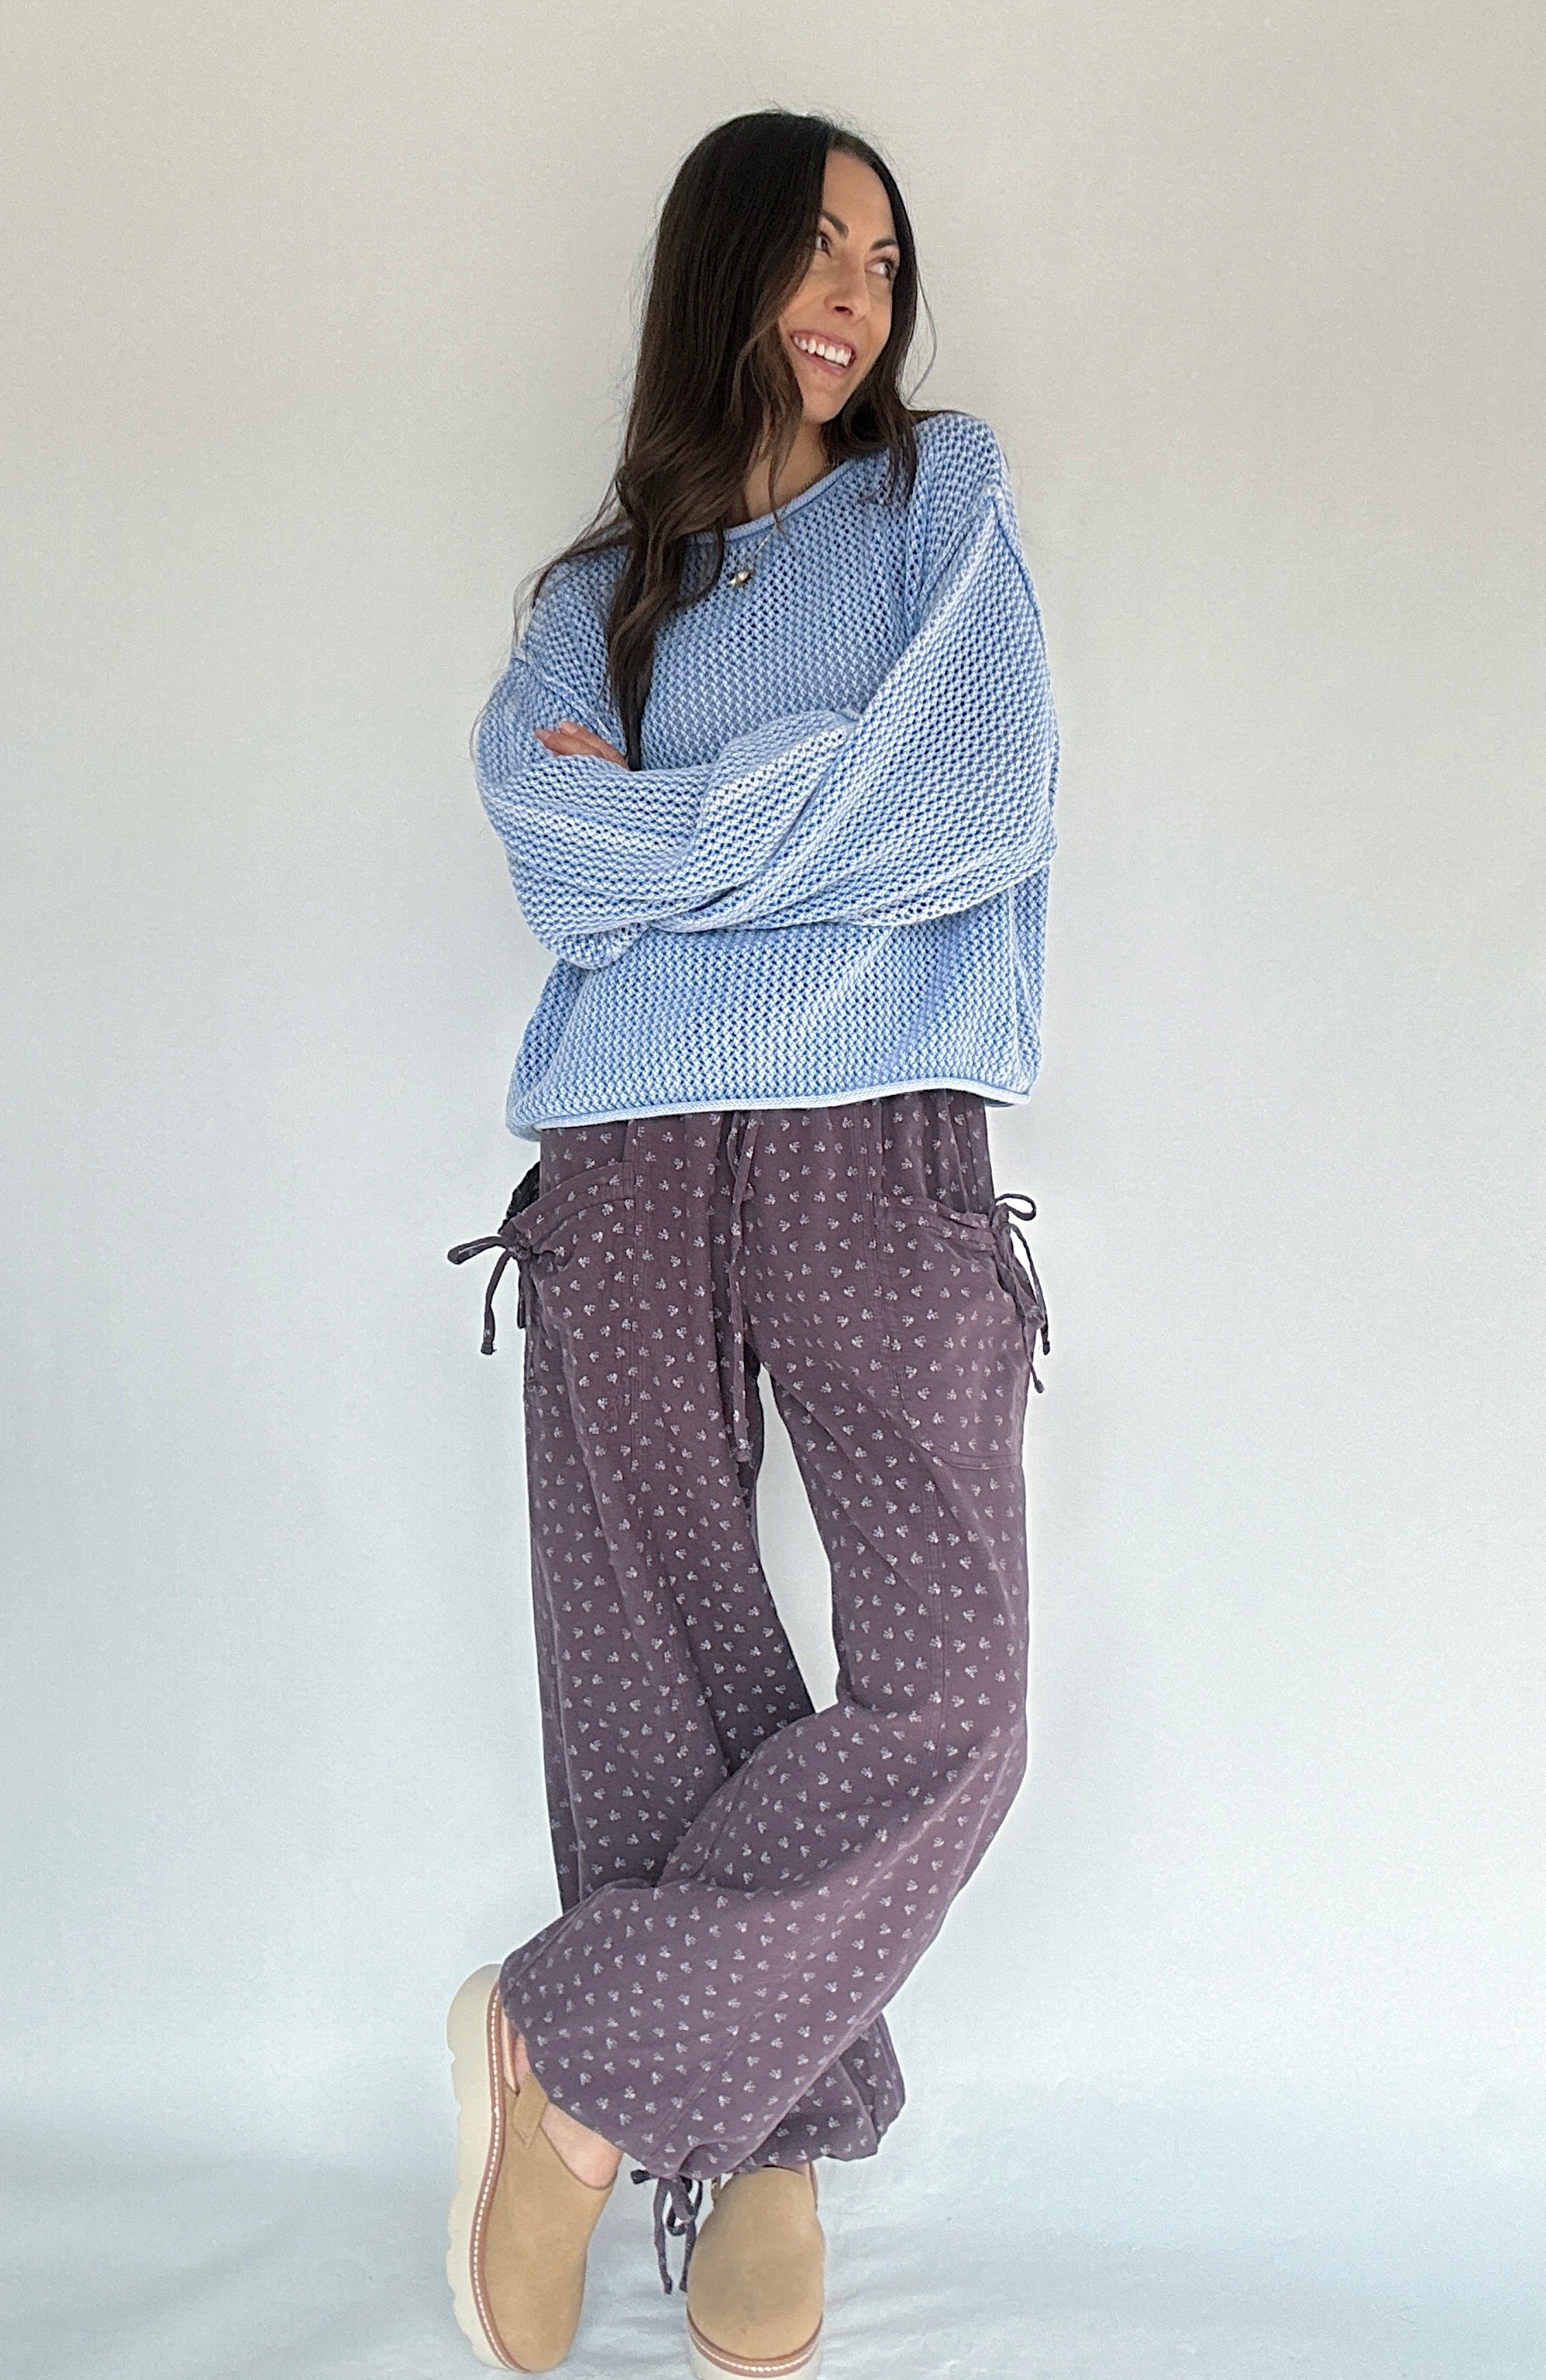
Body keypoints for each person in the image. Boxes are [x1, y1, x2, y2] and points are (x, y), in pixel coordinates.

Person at [442, 106, 1058, 2378]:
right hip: (620, 1140)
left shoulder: (941, 511)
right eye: (813, 246)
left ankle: (574, 2053)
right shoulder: (587, 598)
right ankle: (760, 2129)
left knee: (952, 1702)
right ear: (718, 264)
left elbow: (974, 800)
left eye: (886, 258)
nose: (856, 293)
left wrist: (675, 838)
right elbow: (550, 853)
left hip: (880, 1129)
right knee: (649, 1661)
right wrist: (813, 815)